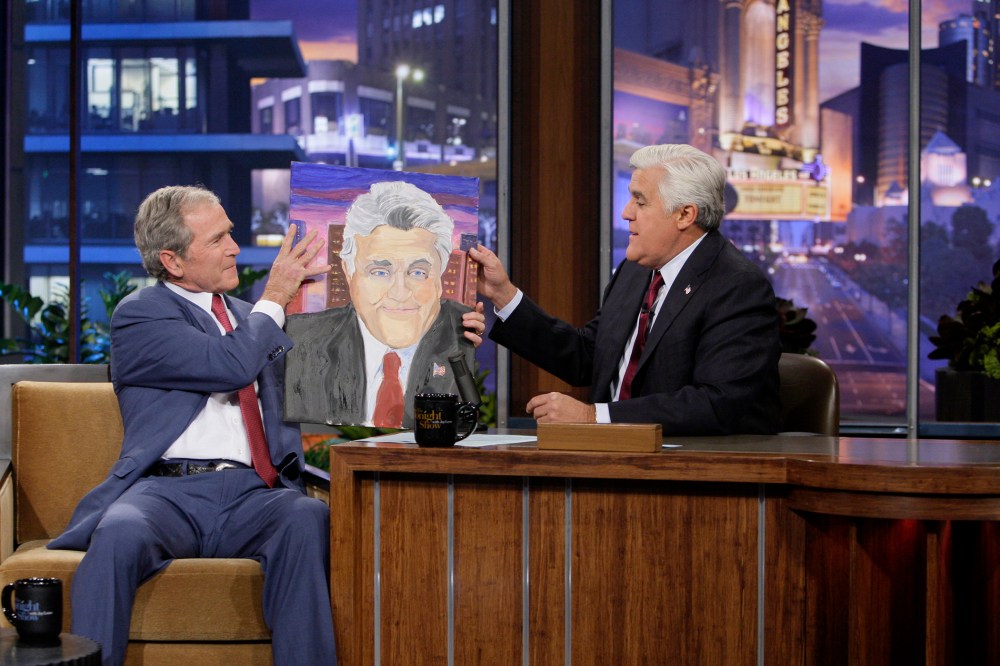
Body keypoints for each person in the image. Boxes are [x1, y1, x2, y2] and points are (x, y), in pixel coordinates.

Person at [47, 185, 337, 665]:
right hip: (165, 494)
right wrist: (275, 297)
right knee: (118, 533)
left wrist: (448, 338)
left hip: (253, 495)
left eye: (231, 234)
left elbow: (338, 378)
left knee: (306, 517)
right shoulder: (141, 316)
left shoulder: (254, 319)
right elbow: (229, 365)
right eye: (218, 239)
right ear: (173, 261)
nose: (235, 248)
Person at [469, 143, 781, 434]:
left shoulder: (737, 286)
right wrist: (503, 294)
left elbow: (718, 402)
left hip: (687, 464)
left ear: (685, 214)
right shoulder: (636, 271)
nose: (626, 212)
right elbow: (588, 357)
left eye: (640, 201)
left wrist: (593, 417)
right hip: (609, 456)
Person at [284, 180, 484, 428]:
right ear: (349, 273)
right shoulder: (302, 341)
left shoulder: (461, 332)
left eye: (418, 272)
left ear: (440, 279)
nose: (400, 293)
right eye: (380, 272)